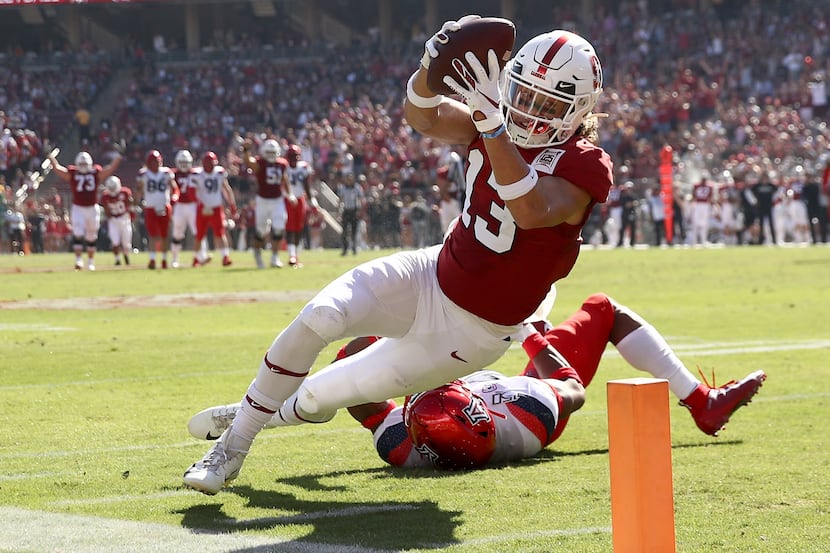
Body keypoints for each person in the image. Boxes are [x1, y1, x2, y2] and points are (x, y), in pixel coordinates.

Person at [183, 20, 613, 495]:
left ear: (578, 112)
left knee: (321, 394)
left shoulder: (584, 162)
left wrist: (492, 123)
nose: (529, 112)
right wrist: (428, 69)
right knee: (320, 316)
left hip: (472, 332)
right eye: (524, 95)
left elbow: (530, 211)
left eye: (547, 104)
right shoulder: (490, 123)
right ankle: (233, 444)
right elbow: (423, 116)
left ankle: (259, 411)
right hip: (431, 272)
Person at [189, 293, 766, 470]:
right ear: (475, 401)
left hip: (464, 385)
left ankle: (251, 420)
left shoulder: (400, 443)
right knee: (604, 310)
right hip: (524, 376)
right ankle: (700, 402)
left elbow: (361, 399)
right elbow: (571, 387)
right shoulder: (524, 412)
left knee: (345, 367)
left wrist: (373, 364)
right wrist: (532, 333)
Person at [49, 150, 122, 271]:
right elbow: (58, 169)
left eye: (84, 164)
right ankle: (78, 261)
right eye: (81, 164)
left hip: (92, 208)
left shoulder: (95, 173)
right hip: (78, 207)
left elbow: (109, 169)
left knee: (92, 236)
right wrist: (50, 157)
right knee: (77, 233)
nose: (83, 166)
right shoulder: (73, 173)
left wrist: (118, 157)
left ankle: (91, 262)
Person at [241, 138, 292, 269]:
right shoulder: (261, 163)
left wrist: (290, 194)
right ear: (264, 152)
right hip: (263, 200)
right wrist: (246, 150)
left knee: (279, 227)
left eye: (272, 152)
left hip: (277, 199)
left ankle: (275, 257)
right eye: (268, 152)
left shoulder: (282, 164)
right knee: (261, 231)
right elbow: (248, 162)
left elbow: (284, 179)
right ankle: (257, 252)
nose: (270, 155)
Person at [135, 149, 177, 269]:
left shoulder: (166, 172)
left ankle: (164, 259)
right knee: (152, 234)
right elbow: (139, 190)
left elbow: (174, 188)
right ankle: (153, 259)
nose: (156, 164)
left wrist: (174, 197)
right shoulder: (143, 174)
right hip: (150, 207)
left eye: (157, 162)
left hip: (164, 206)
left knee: (164, 234)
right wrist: (137, 201)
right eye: (153, 162)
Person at [194, 151, 238, 267]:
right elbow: (194, 192)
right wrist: (201, 205)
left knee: (220, 233)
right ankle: (196, 258)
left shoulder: (219, 172)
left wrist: (232, 204)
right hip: (203, 208)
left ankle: (225, 256)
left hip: (215, 207)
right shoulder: (198, 174)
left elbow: (227, 189)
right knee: (200, 235)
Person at [284, 144, 316, 267]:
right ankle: (292, 254)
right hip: (287, 199)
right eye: (292, 156)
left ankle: (295, 255)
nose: (294, 159)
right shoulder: (284, 167)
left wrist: (312, 201)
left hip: (300, 199)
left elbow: (306, 185)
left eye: (296, 156)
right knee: (289, 227)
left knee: (298, 228)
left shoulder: (303, 167)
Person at [170, 149, 201, 268]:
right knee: (177, 232)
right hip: (179, 205)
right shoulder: (173, 173)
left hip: (192, 205)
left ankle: (200, 257)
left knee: (198, 231)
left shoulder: (195, 173)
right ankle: (174, 258)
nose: (183, 165)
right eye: (181, 162)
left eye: (185, 162)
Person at [99, 176, 134, 266]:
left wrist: (131, 210)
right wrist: (109, 216)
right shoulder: (105, 196)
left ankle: (126, 255)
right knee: (115, 242)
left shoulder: (125, 192)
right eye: (110, 188)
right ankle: (117, 259)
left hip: (125, 218)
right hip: (113, 220)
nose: (112, 189)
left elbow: (130, 205)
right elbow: (106, 210)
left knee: (126, 244)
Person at [336, 170, 364, 255]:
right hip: (346, 210)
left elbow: (360, 199)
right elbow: (340, 200)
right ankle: (345, 249)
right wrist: (339, 212)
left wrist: (360, 211)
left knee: (354, 231)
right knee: (344, 231)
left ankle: (354, 248)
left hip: (354, 210)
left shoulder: (357, 187)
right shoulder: (342, 188)